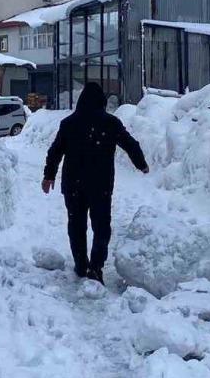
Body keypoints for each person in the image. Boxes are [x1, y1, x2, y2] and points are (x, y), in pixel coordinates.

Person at [42, 82, 148, 284]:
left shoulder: (69, 123)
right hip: (100, 185)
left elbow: (55, 151)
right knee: (101, 227)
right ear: (102, 102)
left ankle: (82, 266)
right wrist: (141, 164)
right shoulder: (110, 123)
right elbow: (130, 144)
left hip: (73, 185)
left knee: (76, 225)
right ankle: (97, 267)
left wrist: (48, 176)